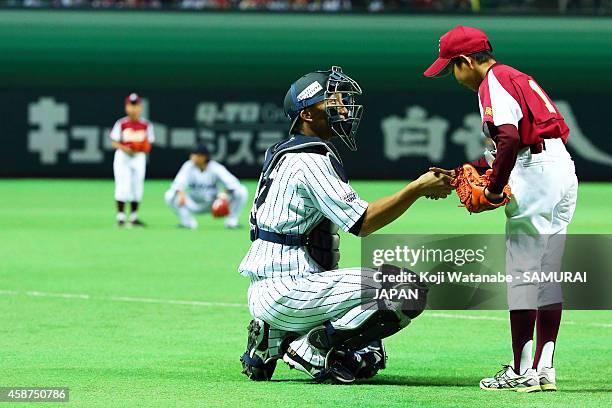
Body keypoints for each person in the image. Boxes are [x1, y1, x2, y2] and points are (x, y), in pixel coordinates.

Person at [238, 66, 453, 383]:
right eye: (332, 100)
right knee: (407, 290)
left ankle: (271, 338)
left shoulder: (284, 152)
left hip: (273, 286)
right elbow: (362, 222)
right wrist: (416, 189)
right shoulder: (310, 159)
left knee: (368, 354)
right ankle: (308, 349)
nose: (342, 107)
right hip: (291, 288)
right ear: (308, 114)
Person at [424, 25, 578, 392]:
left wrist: (493, 190)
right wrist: (472, 169)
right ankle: (544, 368)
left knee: (523, 274)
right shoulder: (516, 76)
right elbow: (510, 143)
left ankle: (521, 370)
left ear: (465, 61)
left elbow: (509, 138)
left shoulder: (490, 82)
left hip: (534, 174)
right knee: (547, 273)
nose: (452, 76)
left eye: (451, 68)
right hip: (560, 170)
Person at [164, 144, 248, 229]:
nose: (192, 157)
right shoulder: (188, 166)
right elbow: (177, 184)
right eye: (192, 154)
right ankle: (187, 222)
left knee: (241, 191)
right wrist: (181, 193)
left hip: (214, 203)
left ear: (203, 157)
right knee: (170, 195)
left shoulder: (215, 167)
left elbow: (233, 184)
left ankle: (231, 222)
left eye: (195, 154)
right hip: (193, 203)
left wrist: (224, 195)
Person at [110, 93, 154, 227]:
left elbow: (148, 144)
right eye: (131, 105)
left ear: (140, 107)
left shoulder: (146, 125)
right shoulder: (122, 123)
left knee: (137, 185)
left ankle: (134, 217)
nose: (133, 109)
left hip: (138, 158)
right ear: (126, 107)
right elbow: (114, 142)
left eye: (136, 105)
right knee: (122, 185)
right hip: (123, 157)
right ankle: (121, 217)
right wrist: (125, 148)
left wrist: (141, 147)